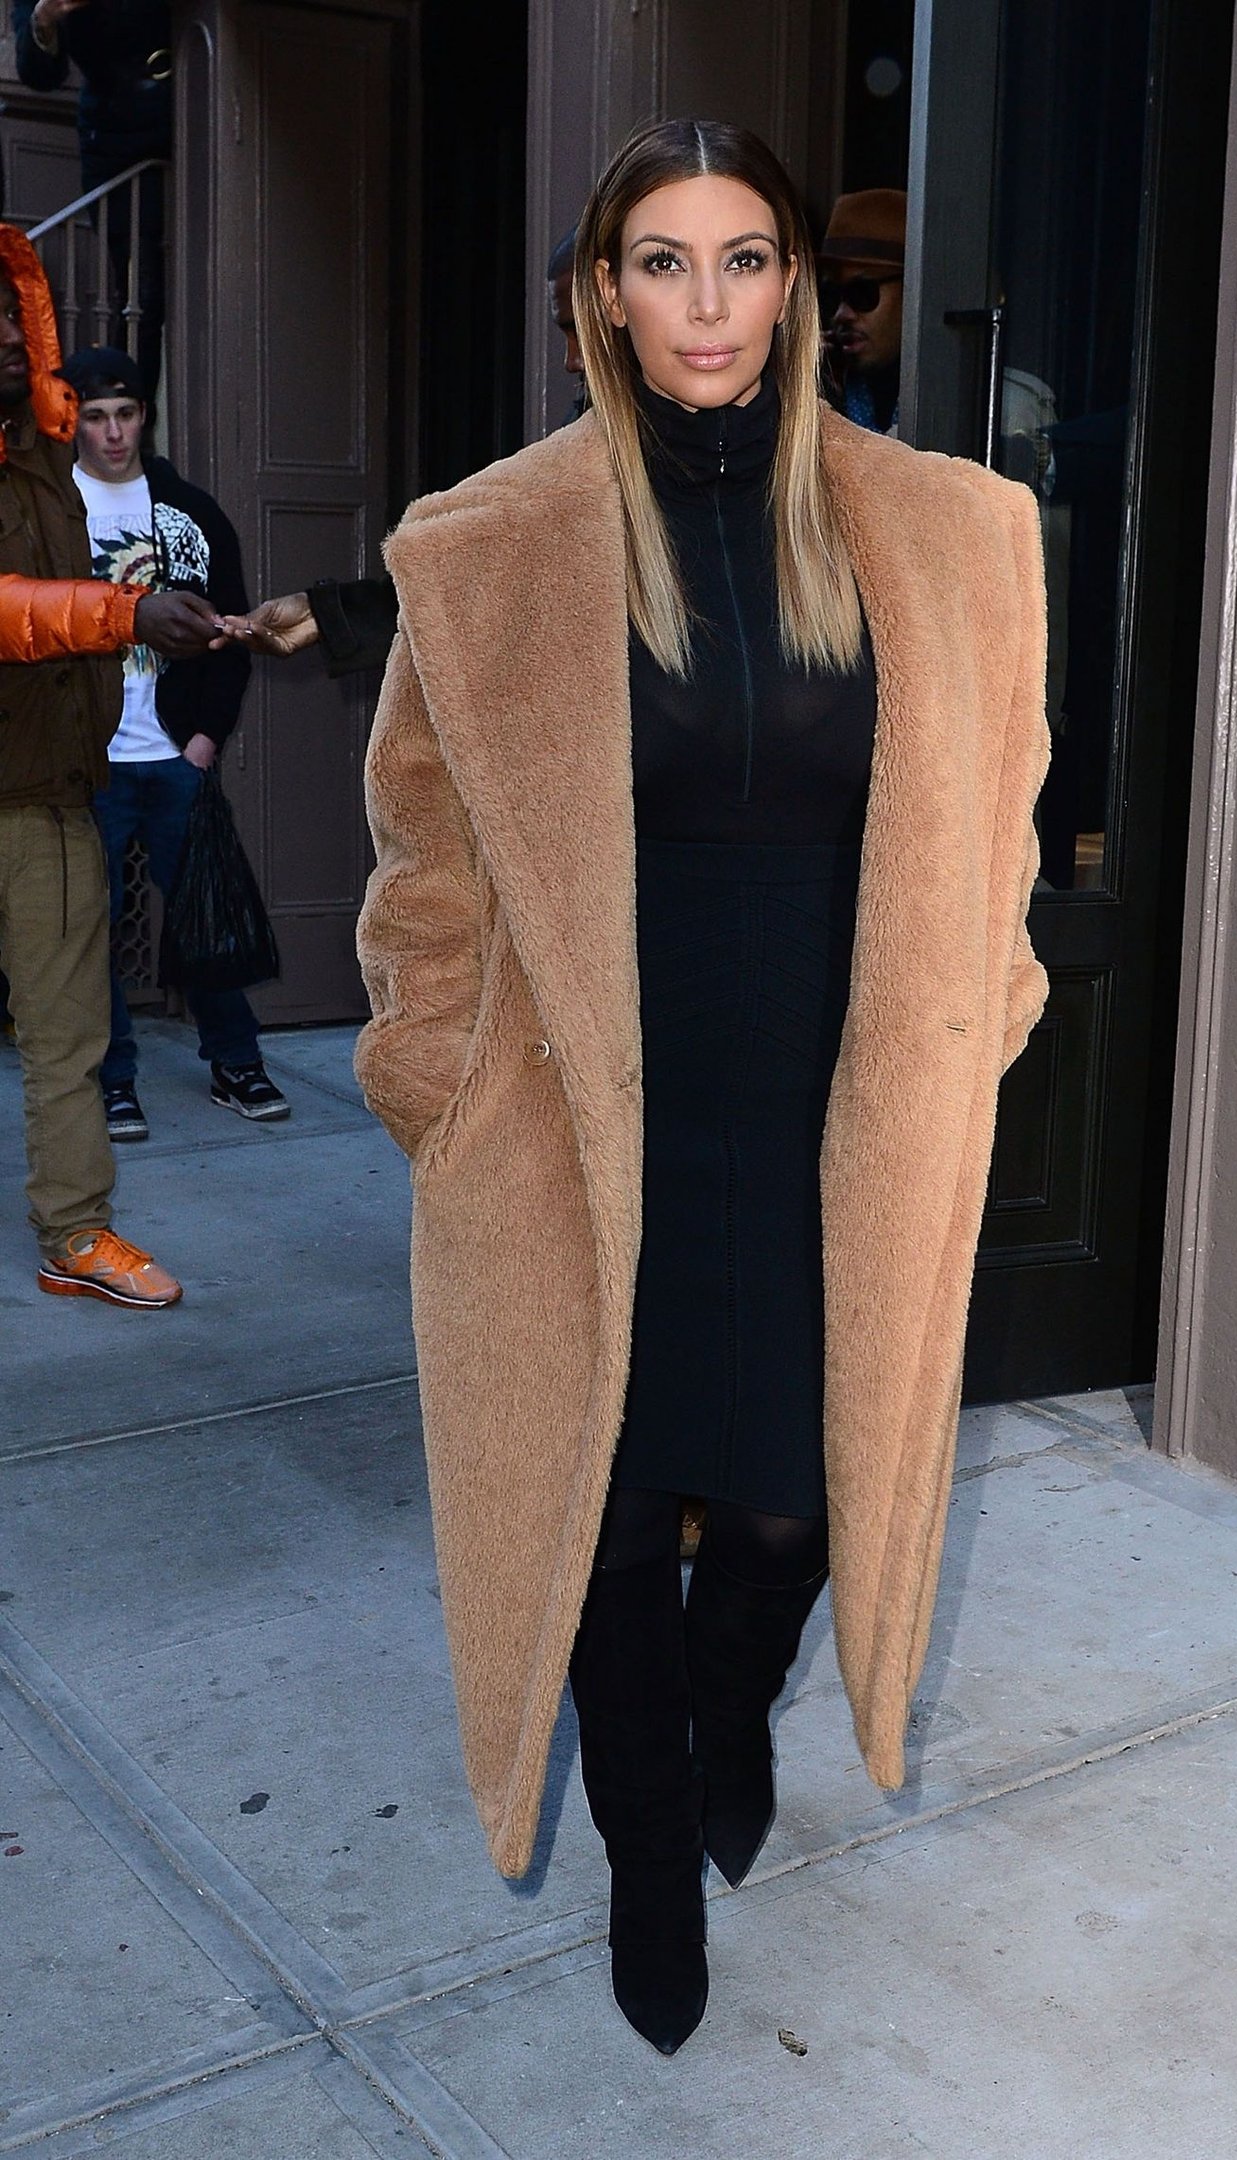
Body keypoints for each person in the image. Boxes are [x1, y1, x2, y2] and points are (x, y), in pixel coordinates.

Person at [354, 120, 1049, 2054]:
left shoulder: (952, 534)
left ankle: (724, 1710)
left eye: (742, 258)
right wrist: (434, 1084)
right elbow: (422, 879)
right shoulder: (484, 551)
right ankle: (649, 1868)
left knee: (784, 1522)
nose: (706, 304)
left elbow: (996, 823)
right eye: (660, 262)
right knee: (592, 1529)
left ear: (797, 287)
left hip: (830, 1124)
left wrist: (978, 1013)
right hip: (576, 1130)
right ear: (601, 293)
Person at [0, 225, 221, 1307]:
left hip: (45, 793)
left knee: (69, 1033)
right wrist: (126, 612)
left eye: (12, 315)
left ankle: (76, 1232)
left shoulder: (41, 451)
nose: (7, 336)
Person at [60, 345, 289, 1138]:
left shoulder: (188, 510)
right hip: (87, 762)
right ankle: (113, 1080)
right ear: (74, 421)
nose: (112, 432)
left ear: (144, 417)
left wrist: (203, 739)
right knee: (89, 928)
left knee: (206, 914)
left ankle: (236, 1062)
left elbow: (232, 631)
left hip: (173, 756)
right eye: (96, 416)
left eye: (125, 414)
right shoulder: (52, 509)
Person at [220, 230, 590, 674]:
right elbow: (488, 572)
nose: (571, 360)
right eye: (565, 331)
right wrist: (324, 615)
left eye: (580, 330)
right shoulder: (582, 436)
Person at [12, 1, 171, 403]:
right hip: (116, 135)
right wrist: (44, 20)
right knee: (140, 291)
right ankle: (137, 418)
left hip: (198, 96)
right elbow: (39, 74)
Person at [818, 186, 907, 434]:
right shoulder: (831, 384)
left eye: (862, 293)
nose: (841, 315)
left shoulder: (959, 397)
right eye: (831, 296)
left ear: (912, 291)